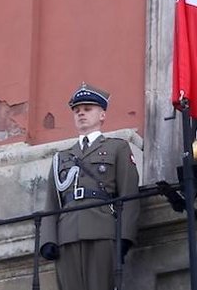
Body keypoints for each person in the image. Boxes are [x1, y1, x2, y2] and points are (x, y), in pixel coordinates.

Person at [39, 83, 140, 290]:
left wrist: (125, 236)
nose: (81, 114)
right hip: (67, 234)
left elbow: (129, 194)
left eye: (87, 109)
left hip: (102, 229)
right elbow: (51, 202)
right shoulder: (62, 157)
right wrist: (48, 239)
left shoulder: (117, 147)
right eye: (77, 111)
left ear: (102, 115)